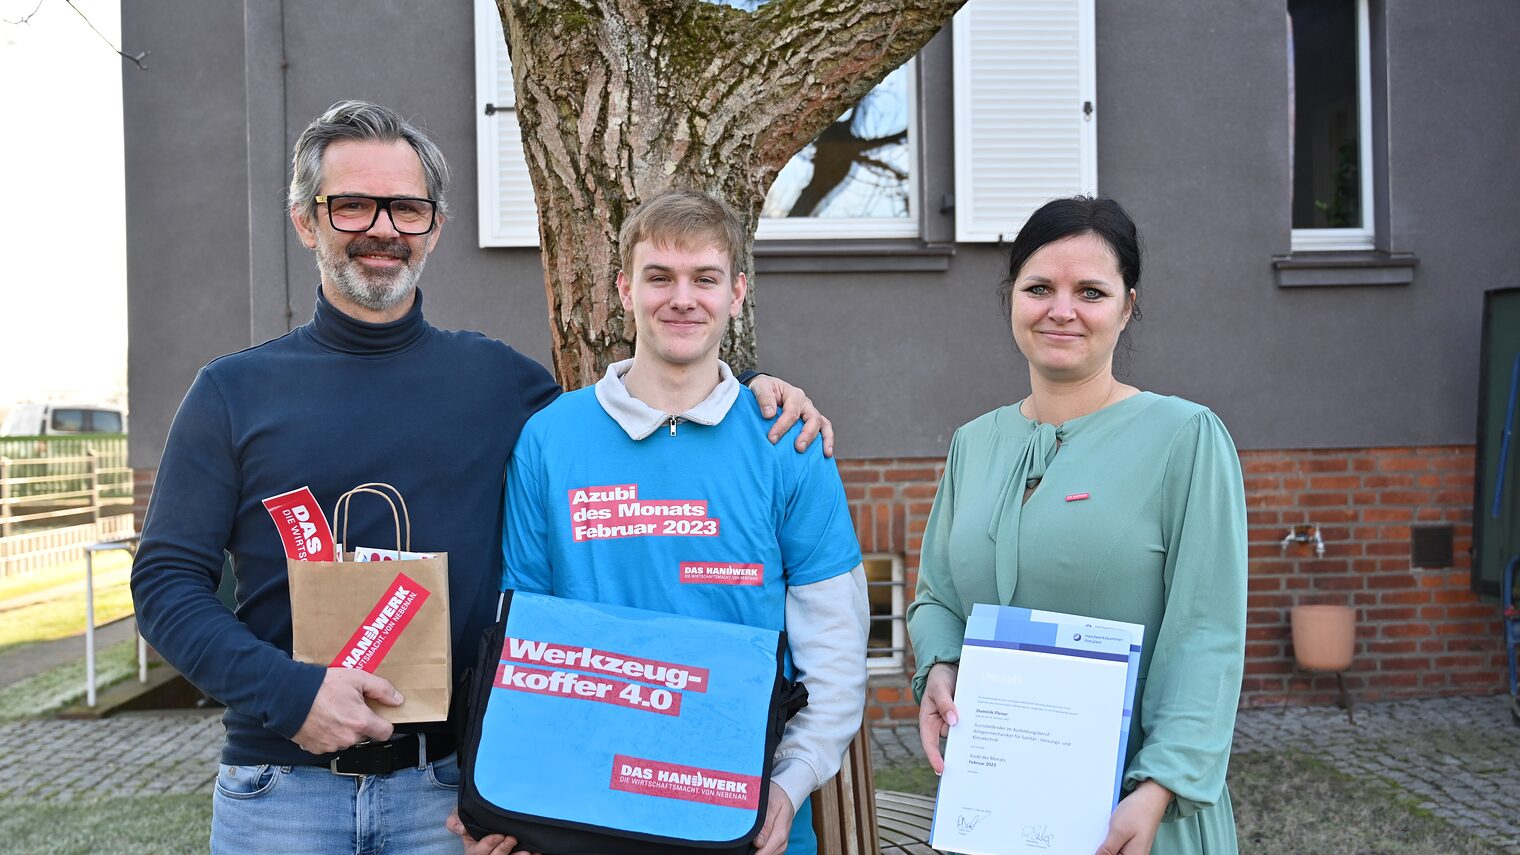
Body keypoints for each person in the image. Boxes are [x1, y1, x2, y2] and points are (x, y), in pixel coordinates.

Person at [130, 101, 830, 855]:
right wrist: (289, 694)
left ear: (434, 226)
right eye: (353, 205)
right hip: (279, 791)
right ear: (307, 221)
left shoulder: (503, 386)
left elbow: (634, 409)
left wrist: (748, 390)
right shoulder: (232, 394)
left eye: (406, 207)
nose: (383, 228)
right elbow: (165, 584)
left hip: (451, 799)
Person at [461, 189, 868, 855]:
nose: (683, 298)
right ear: (625, 288)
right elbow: (524, 639)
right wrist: (517, 796)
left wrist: (789, 785)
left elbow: (836, 653)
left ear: (737, 292)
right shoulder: (549, 438)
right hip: (585, 815)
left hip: (742, 815)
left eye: (705, 278)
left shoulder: (788, 441)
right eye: (659, 277)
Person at [906, 196, 1247, 855]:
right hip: (996, 810)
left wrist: (1159, 786)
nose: (1061, 309)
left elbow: (1207, 635)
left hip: (1136, 818)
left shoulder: (1186, 438)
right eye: (1040, 288)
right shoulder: (973, 443)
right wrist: (941, 663)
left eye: (1090, 290)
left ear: (1127, 306)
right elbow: (937, 595)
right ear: (1012, 299)